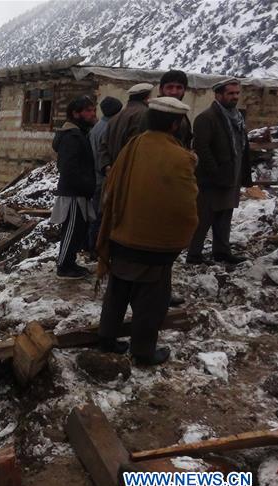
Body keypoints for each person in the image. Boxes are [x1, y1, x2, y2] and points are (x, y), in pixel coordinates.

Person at [96, 97, 199, 366]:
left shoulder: (132, 146)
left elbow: (112, 188)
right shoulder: (180, 157)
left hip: (120, 235)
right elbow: (185, 206)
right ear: (175, 124)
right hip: (154, 244)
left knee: (117, 291)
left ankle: (106, 339)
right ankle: (143, 351)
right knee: (150, 301)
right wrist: (183, 237)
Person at [187, 78, 251, 265]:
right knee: (204, 217)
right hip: (212, 179)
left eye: (237, 93)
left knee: (225, 216)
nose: (235, 97)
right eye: (230, 93)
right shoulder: (206, 118)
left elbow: (242, 147)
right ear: (218, 95)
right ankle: (194, 254)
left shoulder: (237, 117)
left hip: (232, 175)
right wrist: (214, 173)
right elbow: (202, 149)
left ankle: (222, 252)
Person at [51, 95, 97, 279]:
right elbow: (68, 168)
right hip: (73, 193)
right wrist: (85, 186)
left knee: (77, 230)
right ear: (75, 114)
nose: (92, 114)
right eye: (88, 111)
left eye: (93, 110)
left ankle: (70, 263)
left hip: (79, 191)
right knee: (71, 230)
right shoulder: (72, 137)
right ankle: (64, 266)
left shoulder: (79, 133)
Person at [88, 96, 123, 252]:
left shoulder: (96, 127)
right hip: (103, 176)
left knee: (96, 214)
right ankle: (97, 248)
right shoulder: (110, 129)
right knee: (101, 215)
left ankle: (92, 246)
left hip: (95, 175)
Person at [98, 83, 153, 174]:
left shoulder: (115, 117)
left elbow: (103, 146)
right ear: (147, 98)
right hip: (132, 173)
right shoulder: (145, 114)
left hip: (116, 173)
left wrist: (107, 167)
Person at [157, 70, 193, 148]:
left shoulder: (181, 113)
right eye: (170, 87)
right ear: (161, 89)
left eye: (179, 87)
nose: (174, 92)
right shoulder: (153, 114)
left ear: (184, 91)